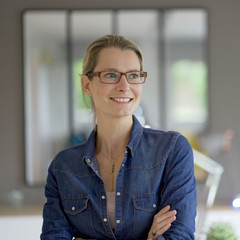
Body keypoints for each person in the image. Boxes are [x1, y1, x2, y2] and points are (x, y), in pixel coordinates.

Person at [40, 35, 197, 240]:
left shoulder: (172, 150)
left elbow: (180, 236)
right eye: (111, 74)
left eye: (133, 75)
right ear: (87, 85)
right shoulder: (63, 167)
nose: (125, 86)